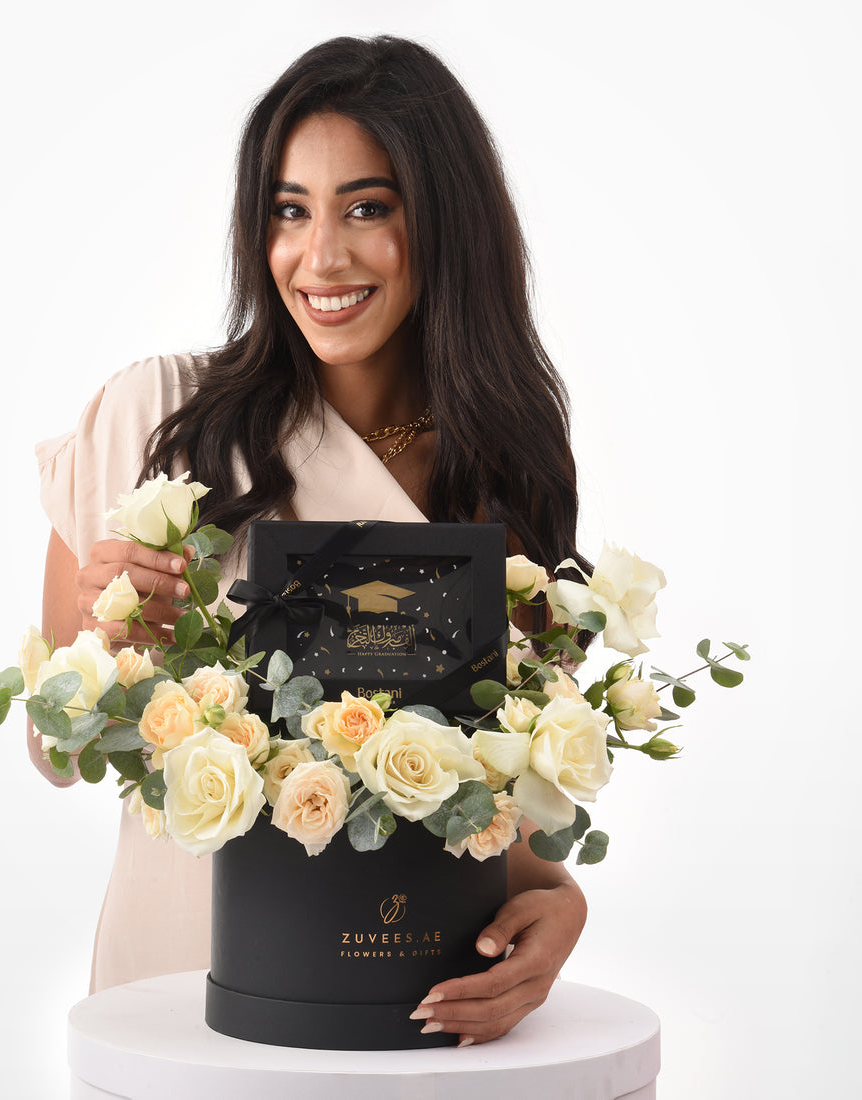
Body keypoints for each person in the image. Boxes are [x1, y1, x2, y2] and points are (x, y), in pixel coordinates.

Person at [33, 35, 589, 1047]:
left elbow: (489, 814)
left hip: (412, 1014)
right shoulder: (155, 417)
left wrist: (558, 901)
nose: (319, 255)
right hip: (180, 997)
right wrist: (102, 643)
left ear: (444, 220)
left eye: (366, 208)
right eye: (288, 210)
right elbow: (55, 749)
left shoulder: (505, 473)